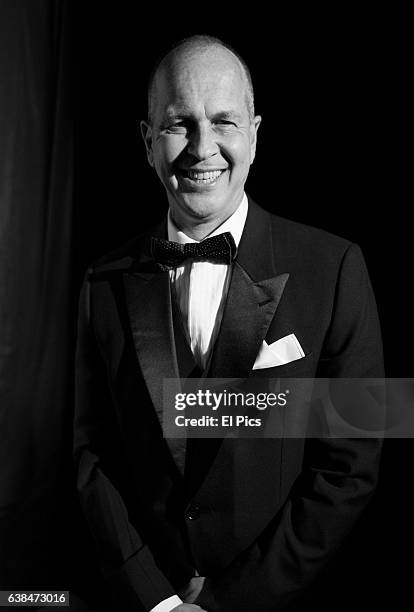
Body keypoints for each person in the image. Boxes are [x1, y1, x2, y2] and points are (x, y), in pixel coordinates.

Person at [74, 35, 384, 612]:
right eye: (178, 124)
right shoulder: (102, 282)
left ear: (255, 135)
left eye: (223, 122)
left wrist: (228, 603)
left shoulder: (338, 267)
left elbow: (353, 465)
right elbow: (91, 455)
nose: (202, 147)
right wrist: (159, 599)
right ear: (147, 141)